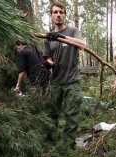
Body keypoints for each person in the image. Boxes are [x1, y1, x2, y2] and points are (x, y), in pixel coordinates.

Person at [42, 2, 86, 146]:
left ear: (65, 15)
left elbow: (82, 44)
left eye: (61, 12)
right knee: (52, 114)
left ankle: (68, 148)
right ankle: (50, 143)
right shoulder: (48, 37)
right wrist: (49, 62)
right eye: (55, 12)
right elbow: (47, 56)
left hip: (72, 82)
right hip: (55, 82)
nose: (58, 15)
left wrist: (63, 38)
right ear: (51, 16)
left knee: (71, 116)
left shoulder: (72, 31)